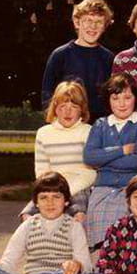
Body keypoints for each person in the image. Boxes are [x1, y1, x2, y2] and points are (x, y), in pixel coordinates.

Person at [84, 73, 137, 249]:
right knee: (96, 216)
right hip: (103, 186)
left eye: (127, 98)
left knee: (123, 221)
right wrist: (121, 150)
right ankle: (100, 258)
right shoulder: (100, 124)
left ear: (135, 98)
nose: (121, 104)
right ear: (108, 100)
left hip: (130, 186)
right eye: (115, 98)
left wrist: (103, 160)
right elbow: (89, 157)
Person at [20, 81, 95, 221]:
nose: (67, 112)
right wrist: (51, 190)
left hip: (79, 187)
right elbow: (42, 170)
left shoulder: (89, 132)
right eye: (62, 107)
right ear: (55, 108)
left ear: (82, 109)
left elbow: (91, 172)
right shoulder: (44, 133)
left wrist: (66, 192)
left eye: (74, 107)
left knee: (79, 215)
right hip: (51, 187)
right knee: (27, 215)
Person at [41, 0, 114, 121]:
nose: (93, 26)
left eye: (99, 22)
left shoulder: (109, 58)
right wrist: (55, 122)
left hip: (99, 126)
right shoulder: (60, 55)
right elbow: (47, 95)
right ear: (77, 22)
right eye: (88, 20)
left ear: (104, 27)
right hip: (67, 125)